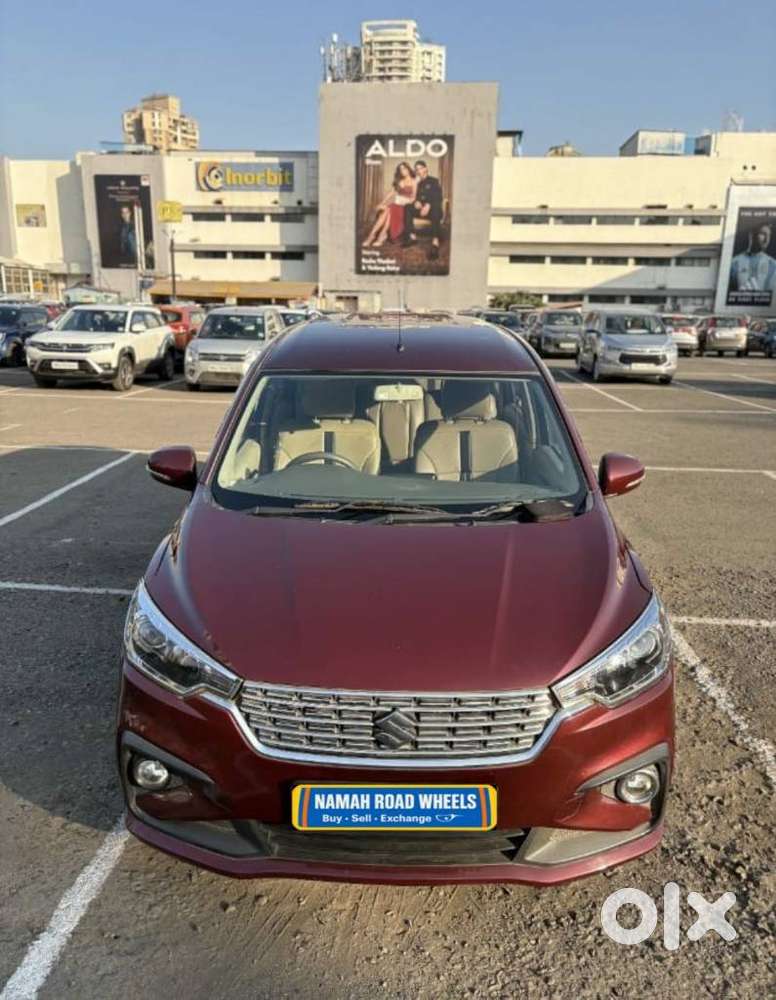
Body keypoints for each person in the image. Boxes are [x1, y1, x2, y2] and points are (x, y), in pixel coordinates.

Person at [362, 162, 417, 248]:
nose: (403, 171)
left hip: (405, 207)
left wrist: (407, 201)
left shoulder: (414, 181)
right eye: (401, 170)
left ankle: (377, 236)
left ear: (408, 169)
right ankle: (374, 235)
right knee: (388, 209)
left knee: (390, 209)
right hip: (396, 205)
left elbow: (414, 197)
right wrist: (382, 203)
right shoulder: (399, 181)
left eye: (404, 168)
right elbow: (391, 193)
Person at [401, 160, 444, 260]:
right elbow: (416, 197)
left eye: (420, 168)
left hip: (433, 210)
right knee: (407, 207)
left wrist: (428, 205)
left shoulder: (434, 181)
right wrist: (417, 202)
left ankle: (435, 243)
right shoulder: (418, 183)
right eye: (416, 170)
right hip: (422, 210)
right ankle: (412, 238)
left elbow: (438, 197)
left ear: (426, 168)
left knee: (436, 209)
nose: (418, 171)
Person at [729, 222, 776, 293]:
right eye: (763, 234)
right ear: (751, 235)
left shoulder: (773, 264)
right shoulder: (734, 263)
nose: (767, 239)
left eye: (769, 235)